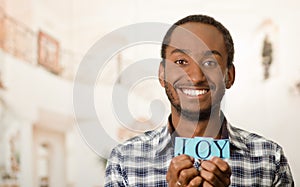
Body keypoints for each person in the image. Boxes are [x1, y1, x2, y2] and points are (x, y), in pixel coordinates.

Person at [104, 14, 294, 186]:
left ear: (229, 76)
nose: (195, 77)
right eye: (180, 62)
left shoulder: (270, 159)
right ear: (162, 74)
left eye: (210, 63)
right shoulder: (124, 160)